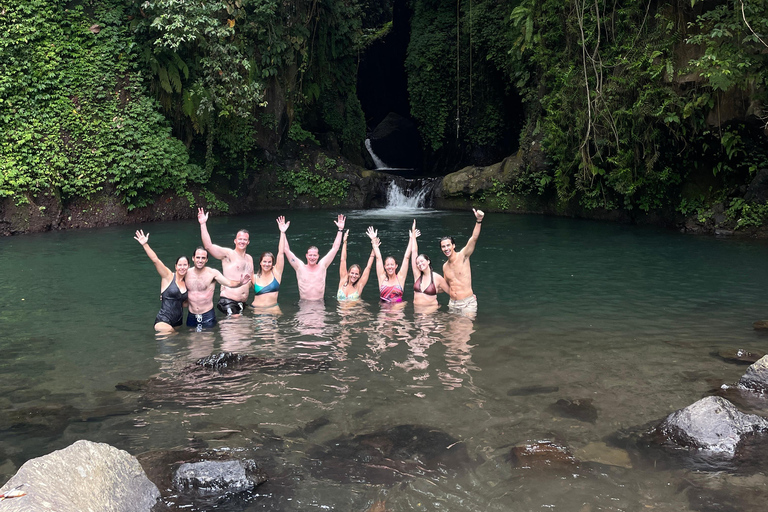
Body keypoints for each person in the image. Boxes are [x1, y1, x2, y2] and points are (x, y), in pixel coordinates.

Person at [198, 208, 254, 316]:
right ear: (235, 241)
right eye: (240, 239)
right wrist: (203, 224)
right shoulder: (228, 254)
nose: (242, 241)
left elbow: (252, 280)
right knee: (236, 323)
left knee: (246, 329)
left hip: (242, 303)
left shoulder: (249, 258)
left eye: (244, 239)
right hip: (228, 301)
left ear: (248, 242)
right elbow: (208, 246)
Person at [134, 230, 188, 333]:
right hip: (163, 321)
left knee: (178, 346)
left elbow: (185, 303)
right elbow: (155, 260)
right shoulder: (168, 276)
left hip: (178, 322)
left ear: (188, 266)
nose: (182, 267)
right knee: (174, 337)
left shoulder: (187, 281)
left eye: (185, 265)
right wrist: (145, 244)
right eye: (180, 265)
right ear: (175, 266)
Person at [284, 214, 346, 301]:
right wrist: (282, 232)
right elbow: (286, 250)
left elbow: (335, 248)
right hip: (304, 304)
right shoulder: (299, 267)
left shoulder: (323, 265)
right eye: (310, 255)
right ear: (306, 256)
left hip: (320, 305)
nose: (312, 257)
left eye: (314, 255)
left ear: (318, 256)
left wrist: (340, 230)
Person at [186, 247, 251, 330]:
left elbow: (229, 283)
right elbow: (173, 281)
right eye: (198, 257)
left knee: (208, 340)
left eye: (203, 258)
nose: (200, 260)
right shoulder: (186, 273)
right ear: (193, 258)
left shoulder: (212, 273)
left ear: (206, 260)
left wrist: (240, 283)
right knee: (191, 339)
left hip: (207, 314)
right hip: (191, 315)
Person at [441, 208, 484, 315]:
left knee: (465, 330)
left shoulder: (463, 256)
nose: (446, 248)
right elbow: (447, 285)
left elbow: (474, 238)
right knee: (453, 331)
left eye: (448, 245)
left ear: (453, 246)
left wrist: (479, 221)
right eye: (443, 247)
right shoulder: (445, 266)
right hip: (453, 303)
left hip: (467, 303)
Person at [366, 225, 414, 303]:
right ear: (384, 267)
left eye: (392, 264)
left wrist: (411, 239)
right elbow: (378, 258)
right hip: (384, 311)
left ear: (396, 266)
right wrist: (374, 240)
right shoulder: (382, 277)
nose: (390, 267)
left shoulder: (401, 277)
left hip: (398, 311)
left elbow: (406, 258)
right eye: (387, 265)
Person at [409, 220, 450, 309]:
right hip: (418, 314)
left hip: (431, 314)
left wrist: (465, 297)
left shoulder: (437, 278)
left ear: (428, 261)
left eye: (422, 261)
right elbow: (414, 252)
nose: (420, 264)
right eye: (418, 263)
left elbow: (450, 291)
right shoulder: (417, 276)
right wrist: (413, 237)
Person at [251, 216, 288, 310]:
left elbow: (281, 252)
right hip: (257, 311)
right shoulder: (253, 277)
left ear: (272, 263)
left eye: (269, 262)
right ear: (260, 262)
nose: (267, 264)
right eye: (264, 262)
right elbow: (241, 289)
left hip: (273, 310)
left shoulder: (276, 273)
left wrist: (282, 232)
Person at [336, 229, 376, 301]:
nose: (354, 275)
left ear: (359, 276)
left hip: (354, 311)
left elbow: (368, 267)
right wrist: (344, 241)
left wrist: (374, 246)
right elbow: (343, 260)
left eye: (356, 274)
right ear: (348, 273)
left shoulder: (359, 285)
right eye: (352, 273)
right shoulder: (343, 279)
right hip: (340, 311)